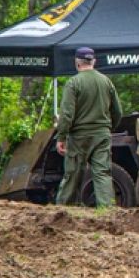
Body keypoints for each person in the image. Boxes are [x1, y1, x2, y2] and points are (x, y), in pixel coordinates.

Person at [54, 47, 124, 208]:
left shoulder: (74, 83)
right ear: (93, 61)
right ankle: (107, 211)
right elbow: (118, 111)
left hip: (79, 136)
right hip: (102, 134)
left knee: (73, 174)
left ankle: (64, 210)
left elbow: (66, 114)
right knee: (102, 173)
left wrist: (61, 137)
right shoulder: (106, 81)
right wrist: (108, 128)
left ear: (77, 63)